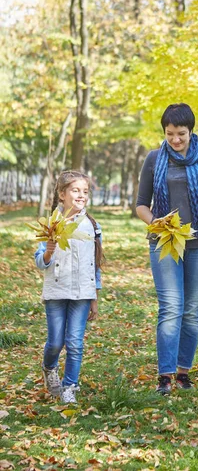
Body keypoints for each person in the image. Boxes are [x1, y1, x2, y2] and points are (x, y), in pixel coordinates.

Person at [136, 103, 198, 394]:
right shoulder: (154, 159)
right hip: (165, 243)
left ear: (191, 131)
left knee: (191, 310)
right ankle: (165, 375)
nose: (175, 140)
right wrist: (158, 223)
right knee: (171, 307)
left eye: (181, 133)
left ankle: (182, 372)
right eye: (169, 134)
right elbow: (140, 205)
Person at [35, 170, 103, 404]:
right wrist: (48, 252)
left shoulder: (92, 225)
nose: (81, 195)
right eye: (75, 190)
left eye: (85, 191)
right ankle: (49, 367)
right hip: (56, 290)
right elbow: (39, 261)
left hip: (83, 293)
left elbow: (96, 262)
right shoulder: (51, 225)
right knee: (56, 341)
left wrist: (94, 295)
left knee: (75, 342)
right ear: (62, 194)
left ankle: (69, 386)